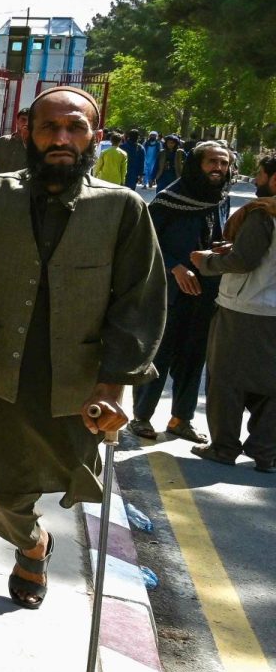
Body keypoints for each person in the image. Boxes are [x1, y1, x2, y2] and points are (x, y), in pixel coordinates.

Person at [0, 86, 165, 608]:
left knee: (70, 475)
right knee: (6, 493)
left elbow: (137, 304)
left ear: (93, 138)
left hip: (77, 384)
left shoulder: (122, 209)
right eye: (49, 128)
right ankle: (33, 544)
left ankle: (33, 539)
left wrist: (114, 386)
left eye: (74, 128)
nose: (61, 138)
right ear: (27, 133)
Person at [131, 141, 232, 443]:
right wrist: (174, 267)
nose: (218, 169)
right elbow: (144, 240)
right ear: (195, 164)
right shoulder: (167, 200)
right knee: (159, 354)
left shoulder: (219, 198)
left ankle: (181, 419)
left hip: (206, 291)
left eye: (224, 163)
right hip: (169, 292)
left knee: (193, 356)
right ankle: (141, 417)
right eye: (212, 162)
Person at [190, 153, 276, 470]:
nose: (255, 180)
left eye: (260, 174)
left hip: (245, 309)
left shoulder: (263, 214)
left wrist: (206, 261)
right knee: (271, 385)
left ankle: (224, 447)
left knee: (225, 378)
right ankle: (266, 451)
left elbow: (245, 261)